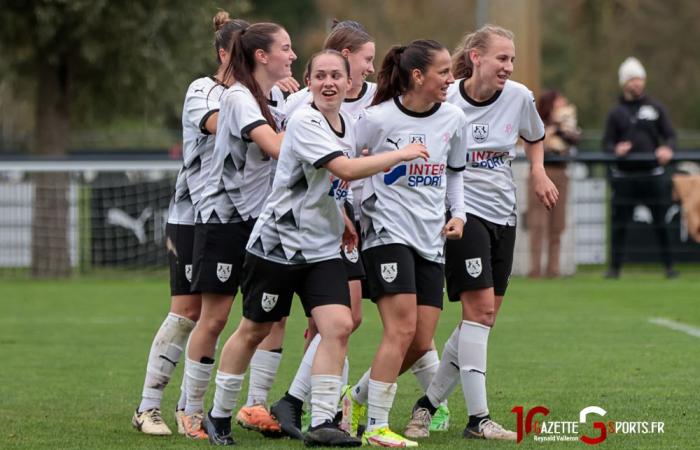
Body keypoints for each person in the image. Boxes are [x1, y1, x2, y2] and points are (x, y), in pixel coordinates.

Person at [201, 49, 430, 447]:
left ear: (347, 82)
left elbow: (329, 183)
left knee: (339, 326)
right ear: (308, 82)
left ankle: (323, 422)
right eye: (320, 76)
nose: (328, 83)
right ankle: (219, 414)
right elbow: (343, 169)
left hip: (321, 249)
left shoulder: (347, 125)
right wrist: (401, 154)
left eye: (335, 76)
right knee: (254, 329)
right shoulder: (306, 121)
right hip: (278, 246)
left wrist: (342, 218)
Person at [403, 24, 558, 441]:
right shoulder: (447, 98)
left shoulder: (520, 97)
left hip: (502, 218)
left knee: (482, 320)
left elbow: (536, 136)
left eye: (512, 60)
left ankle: (426, 405)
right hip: (461, 217)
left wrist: (539, 172)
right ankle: (479, 419)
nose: (508, 66)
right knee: (479, 314)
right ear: (476, 57)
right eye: (501, 58)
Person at [340, 39, 468, 448]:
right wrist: (354, 217)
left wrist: (459, 214)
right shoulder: (376, 120)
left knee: (418, 340)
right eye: (444, 72)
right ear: (417, 76)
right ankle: (377, 425)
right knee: (400, 329)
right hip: (385, 234)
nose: (451, 79)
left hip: (431, 238)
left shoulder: (453, 118)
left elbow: (454, 173)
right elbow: (350, 173)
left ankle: (357, 398)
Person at [131, 11, 247, 437]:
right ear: (223, 54)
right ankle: (147, 408)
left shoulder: (256, 96)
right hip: (191, 217)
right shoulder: (205, 90)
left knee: (217, 316)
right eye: (244, 55)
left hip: (233, 219)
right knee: (186, 313)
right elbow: (222, 126)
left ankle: (190, 406)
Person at [181, 22, 295, 440]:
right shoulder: (237, 97)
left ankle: (254, 405)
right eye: (286, 48)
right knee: (214, 318)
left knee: (273, 314)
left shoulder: (280, 95)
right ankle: (190, 409)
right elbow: (279, 147)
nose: (293, 55)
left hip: (264, 221)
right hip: (225, 220)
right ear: (261, 56)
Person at [603, 56, 678, 279]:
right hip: (625, 177)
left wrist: (668, 149)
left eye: (640, 79)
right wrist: (616, 149)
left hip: (653, 175)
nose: (637, 84)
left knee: (661, 223)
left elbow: (670, 136)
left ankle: (669, 267)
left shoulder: (656, 108)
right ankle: (614, 269)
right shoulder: (616, 113)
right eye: (632, 80)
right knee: (619, 225)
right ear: (623, 83)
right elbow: (606, 143)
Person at [528, 90, 580, 278]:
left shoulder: (566, 124)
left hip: (560, 172)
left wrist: (561, 128)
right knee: (538, 223)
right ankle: (535, 269)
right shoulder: (538, 123)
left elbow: (574, 139)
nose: (564, 103)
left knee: (557, 224)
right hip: (541, 172)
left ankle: (553, 269)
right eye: (559, 100)